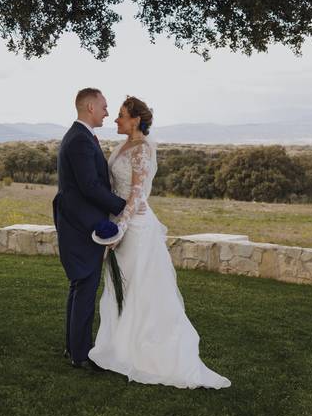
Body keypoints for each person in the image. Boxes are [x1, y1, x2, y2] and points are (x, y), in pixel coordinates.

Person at [88, 96, 231, 388]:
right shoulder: (122, 146)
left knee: (143, 289)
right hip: (121, 222)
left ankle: (148, 354)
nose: (116, 120)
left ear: (136, 120)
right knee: (123, 286)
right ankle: (120, 347)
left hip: (136, 228)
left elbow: (138, 195)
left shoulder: (143, 149)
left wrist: (120, 230)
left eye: (121, 115)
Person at [53, 88, 126, 371]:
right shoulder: (80, 140)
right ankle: (80, 355)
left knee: (80, 286)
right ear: (90, 107)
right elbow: (89, 186)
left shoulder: (80, 136)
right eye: (105, 107)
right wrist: (123, 206)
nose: (108, 112)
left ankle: (73, 347)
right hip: (82, 226)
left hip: (78, 224)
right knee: (85, 287)